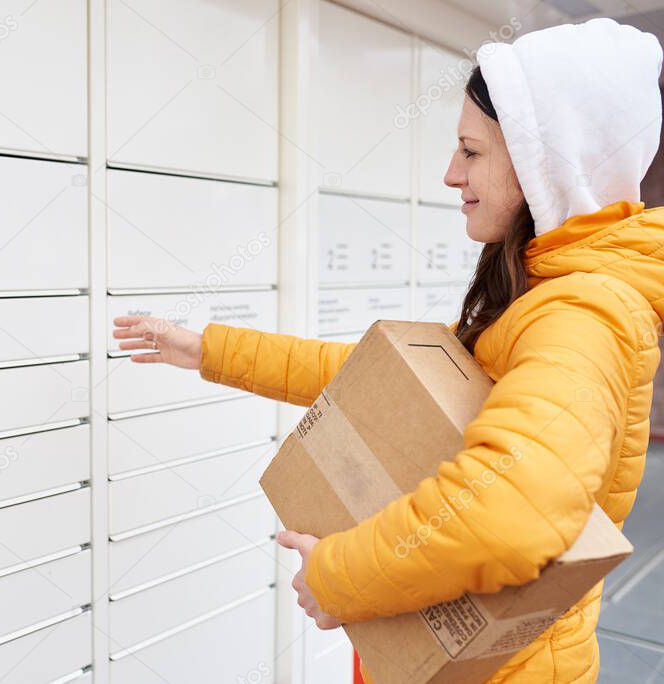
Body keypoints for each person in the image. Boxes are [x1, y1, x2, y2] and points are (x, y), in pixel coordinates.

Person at [112, 17, 664, 683]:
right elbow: (389, 382)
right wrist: (208, 350)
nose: (449, 174)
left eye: (471, 151)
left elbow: (506, 512)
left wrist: (337, 576)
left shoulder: (582, 312)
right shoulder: (547, 290)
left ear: (541, 162)